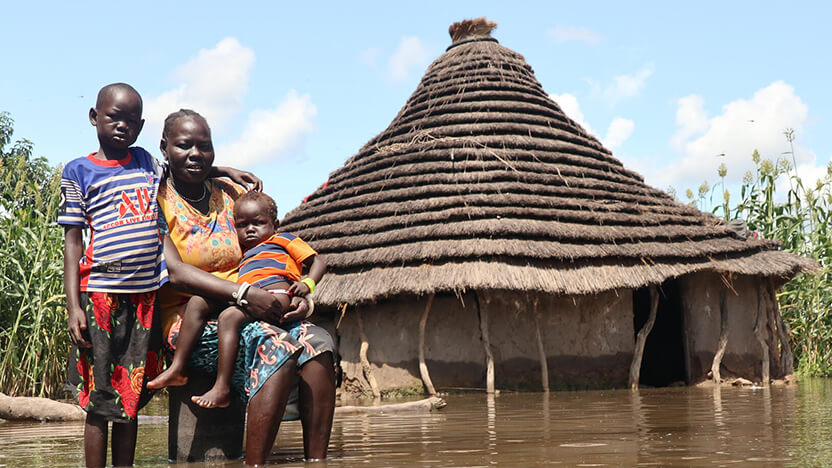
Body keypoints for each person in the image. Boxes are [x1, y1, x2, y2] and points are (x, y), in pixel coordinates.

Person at [60, 83, 265, 468]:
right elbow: (72, 242)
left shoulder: (144, 163)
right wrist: (74, 306)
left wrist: (226, 170)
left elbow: (188, 165)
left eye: (130, 120)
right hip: (101, 293)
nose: (121, 126)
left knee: (131, 394)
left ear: (140, 127)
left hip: (143, 299)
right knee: (101, 399)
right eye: (113, 117)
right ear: (93, 117)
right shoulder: (78, 171)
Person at [152, 109, 336, 464]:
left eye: (204, 146)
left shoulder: (230, 194)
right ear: (164, 148)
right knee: (275, 345)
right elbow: (175, 272)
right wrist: (243, 294)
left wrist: (299, 296)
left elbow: (272, 250)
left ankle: (318, 461)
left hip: (254, 305)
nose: (195, 154)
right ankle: (255, 463)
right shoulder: (156, 199)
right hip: (190, 317)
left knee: (319, 344)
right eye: (184, 146)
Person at [149, 190, 327, 411]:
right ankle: (178, 367)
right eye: (242, 225)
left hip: (275, 296)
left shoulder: (283, 240)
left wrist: (307, 285)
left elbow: (318, 262)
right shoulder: (243, 251)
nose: (250, 229)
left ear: (275, 224)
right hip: (246, 297)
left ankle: (222, 387)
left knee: (229, 317)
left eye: (258, 223)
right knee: (197, 302)